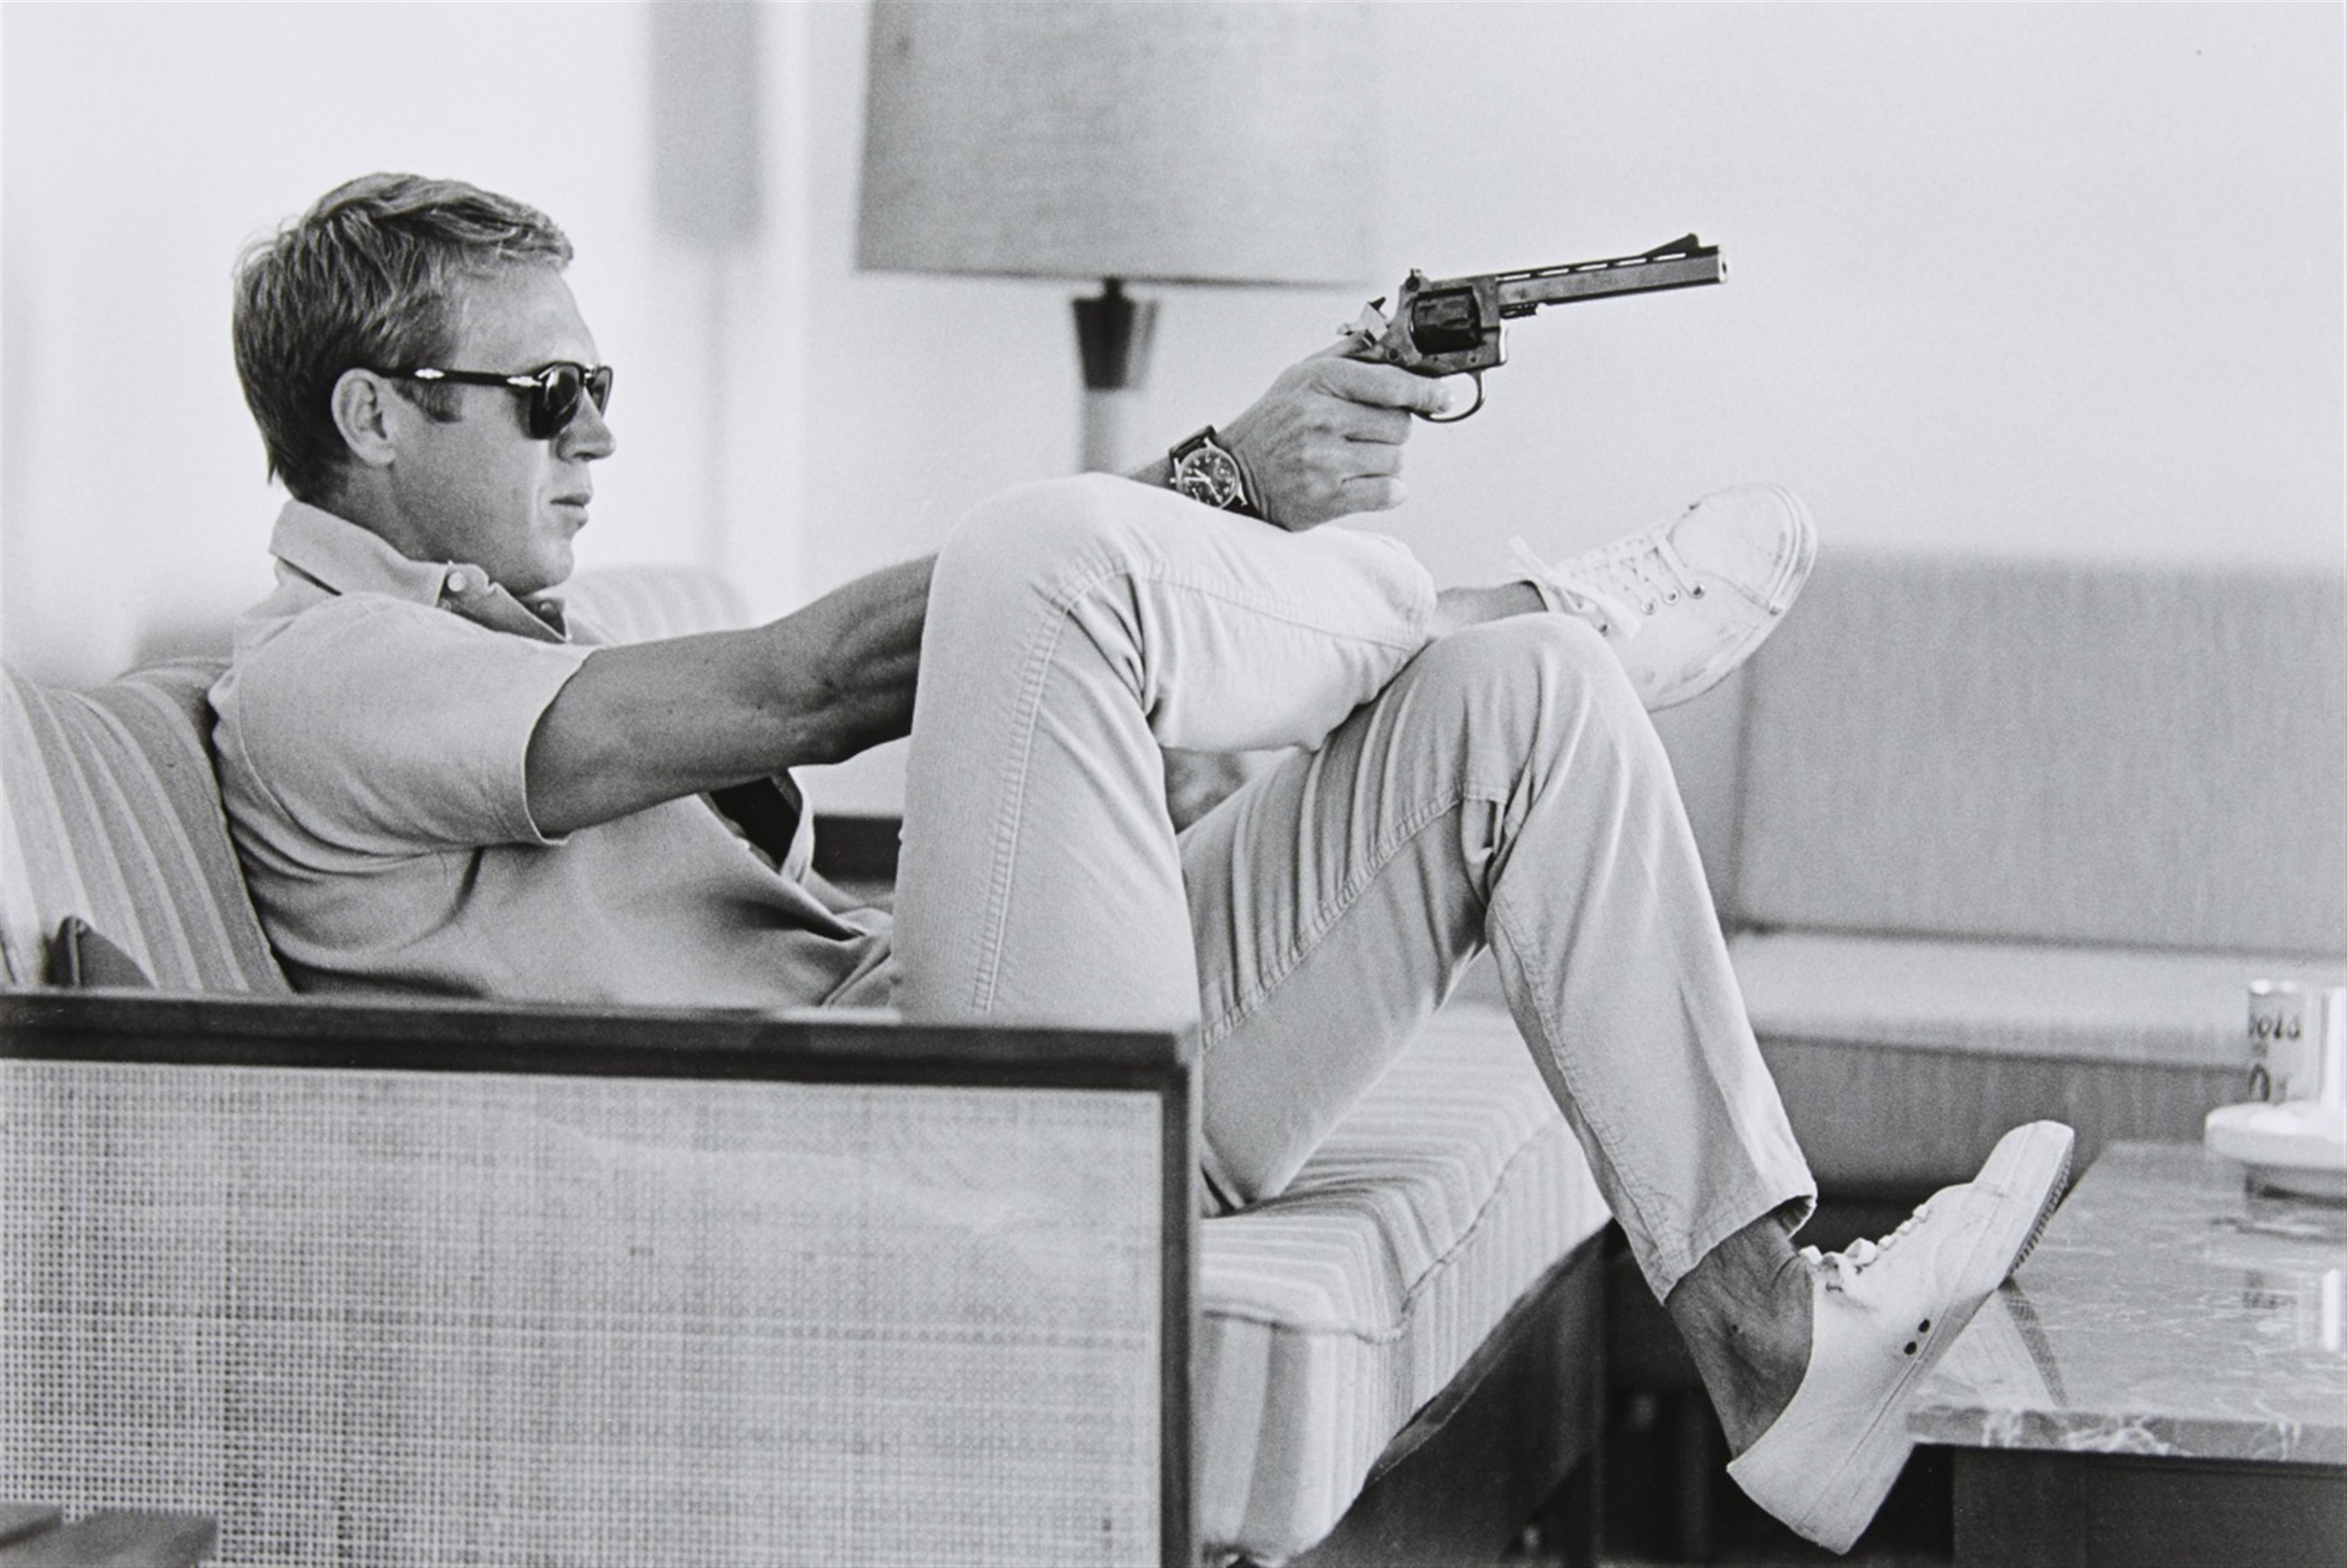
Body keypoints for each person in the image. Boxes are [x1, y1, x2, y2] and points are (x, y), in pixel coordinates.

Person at [212, 172, 2071, 1554]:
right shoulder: (328, 674)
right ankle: (1489, 597)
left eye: (601, 379)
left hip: (960, 1065)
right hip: (909, 1154)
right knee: (1037, 555)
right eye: (547, 391)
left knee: (1534, 703)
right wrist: (1225, 481)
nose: (602, 429)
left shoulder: (495, 641)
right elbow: (815, 685)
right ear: (371, 416)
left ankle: (1778, 1348)